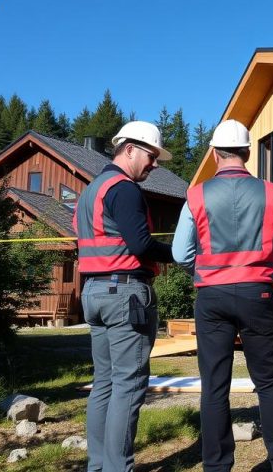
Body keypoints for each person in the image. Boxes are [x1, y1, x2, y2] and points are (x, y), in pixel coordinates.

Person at [172, 119, 273, 472]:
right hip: (258, 295)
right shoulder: (271, 192)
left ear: (215, 154)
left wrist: (204, 271)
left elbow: (179, 253)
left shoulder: (196, 195)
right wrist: (264, 266)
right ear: (248, 153)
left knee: (214, 386)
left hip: (212, 297)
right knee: (268, 382)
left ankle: (217, 468)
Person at [74, 120, 174, 472]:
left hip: (94, 292)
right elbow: (141, 244)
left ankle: (99, 466)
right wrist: (182, 253)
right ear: (128, 148)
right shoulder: (126, 189)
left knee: (104, 383)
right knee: (129, 385)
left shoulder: (91, 191)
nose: (156, 163)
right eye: (151, 155)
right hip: (125, 294)